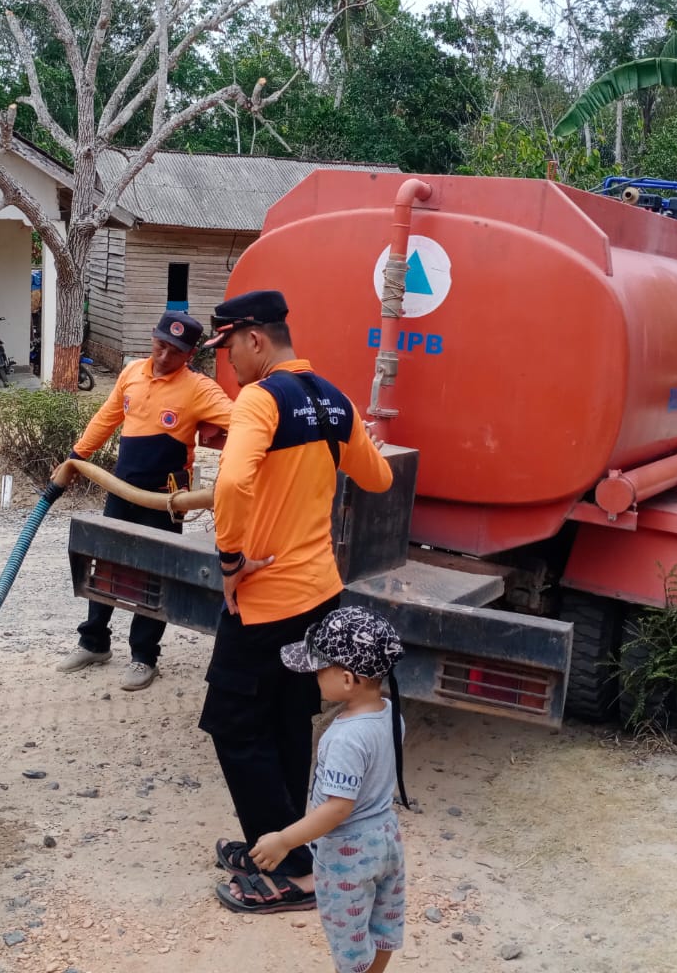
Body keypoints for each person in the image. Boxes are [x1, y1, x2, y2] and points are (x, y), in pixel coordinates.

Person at [195, 289, 394, 913]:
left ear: (255, 338)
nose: (226, 361)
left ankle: (294, 874)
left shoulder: (259, 399)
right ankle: (281, 846)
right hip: (319, 594)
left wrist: (231, 559)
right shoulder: (335, 400)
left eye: (227, 347)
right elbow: (378, 478)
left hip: (265, 600)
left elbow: (230, 480)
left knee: (232, 723)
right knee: (283, 718)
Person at [56, 310, 233, 690]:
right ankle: (94, 641)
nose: (164, 356)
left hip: (165, 498)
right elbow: (107, 417)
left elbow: (242, 423)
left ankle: (143, 657)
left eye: (174, 351)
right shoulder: (132, 372)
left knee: (155, 573)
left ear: (190, 354)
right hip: (122, 488)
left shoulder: (200, 389)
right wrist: (76, 457)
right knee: (106, 563)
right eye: (160, 345)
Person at [247, 607, 409, 972]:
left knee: (350, 945)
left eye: (321, 668)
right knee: (382, 927)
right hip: (386, 838)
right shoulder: (390, 713)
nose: (315, 676)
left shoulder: (345, 737)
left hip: (347, 853)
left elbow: (338, 808)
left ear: (349, 679)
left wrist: (285, 840)